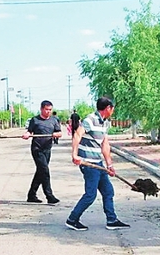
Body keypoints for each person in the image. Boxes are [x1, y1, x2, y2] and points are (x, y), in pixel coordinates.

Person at [66, 97, 130, 231]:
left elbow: (105, 144)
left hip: (98, 163)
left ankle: (111, 220)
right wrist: (74, 154)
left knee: (108, 191)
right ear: (108, 108)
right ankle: (72, 219)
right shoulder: (90, 119)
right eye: (112, 109)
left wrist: (109, 165)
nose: (113, 111)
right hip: (88, 163)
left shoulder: (105, 123)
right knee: (90, 195)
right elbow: (77, 135)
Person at [22, 100, 62, 204]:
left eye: (50, 109)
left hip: (47, 149)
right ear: (41, 109)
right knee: (45, 171)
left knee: (40, 172)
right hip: (37, 149)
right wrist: (27, 134)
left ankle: (31, 195)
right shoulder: (35, 120)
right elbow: (29, 131)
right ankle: (49, 196)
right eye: (46, 109)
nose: (48, 111)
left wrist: (57, 134)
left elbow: (59, 132)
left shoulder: (54, 120)